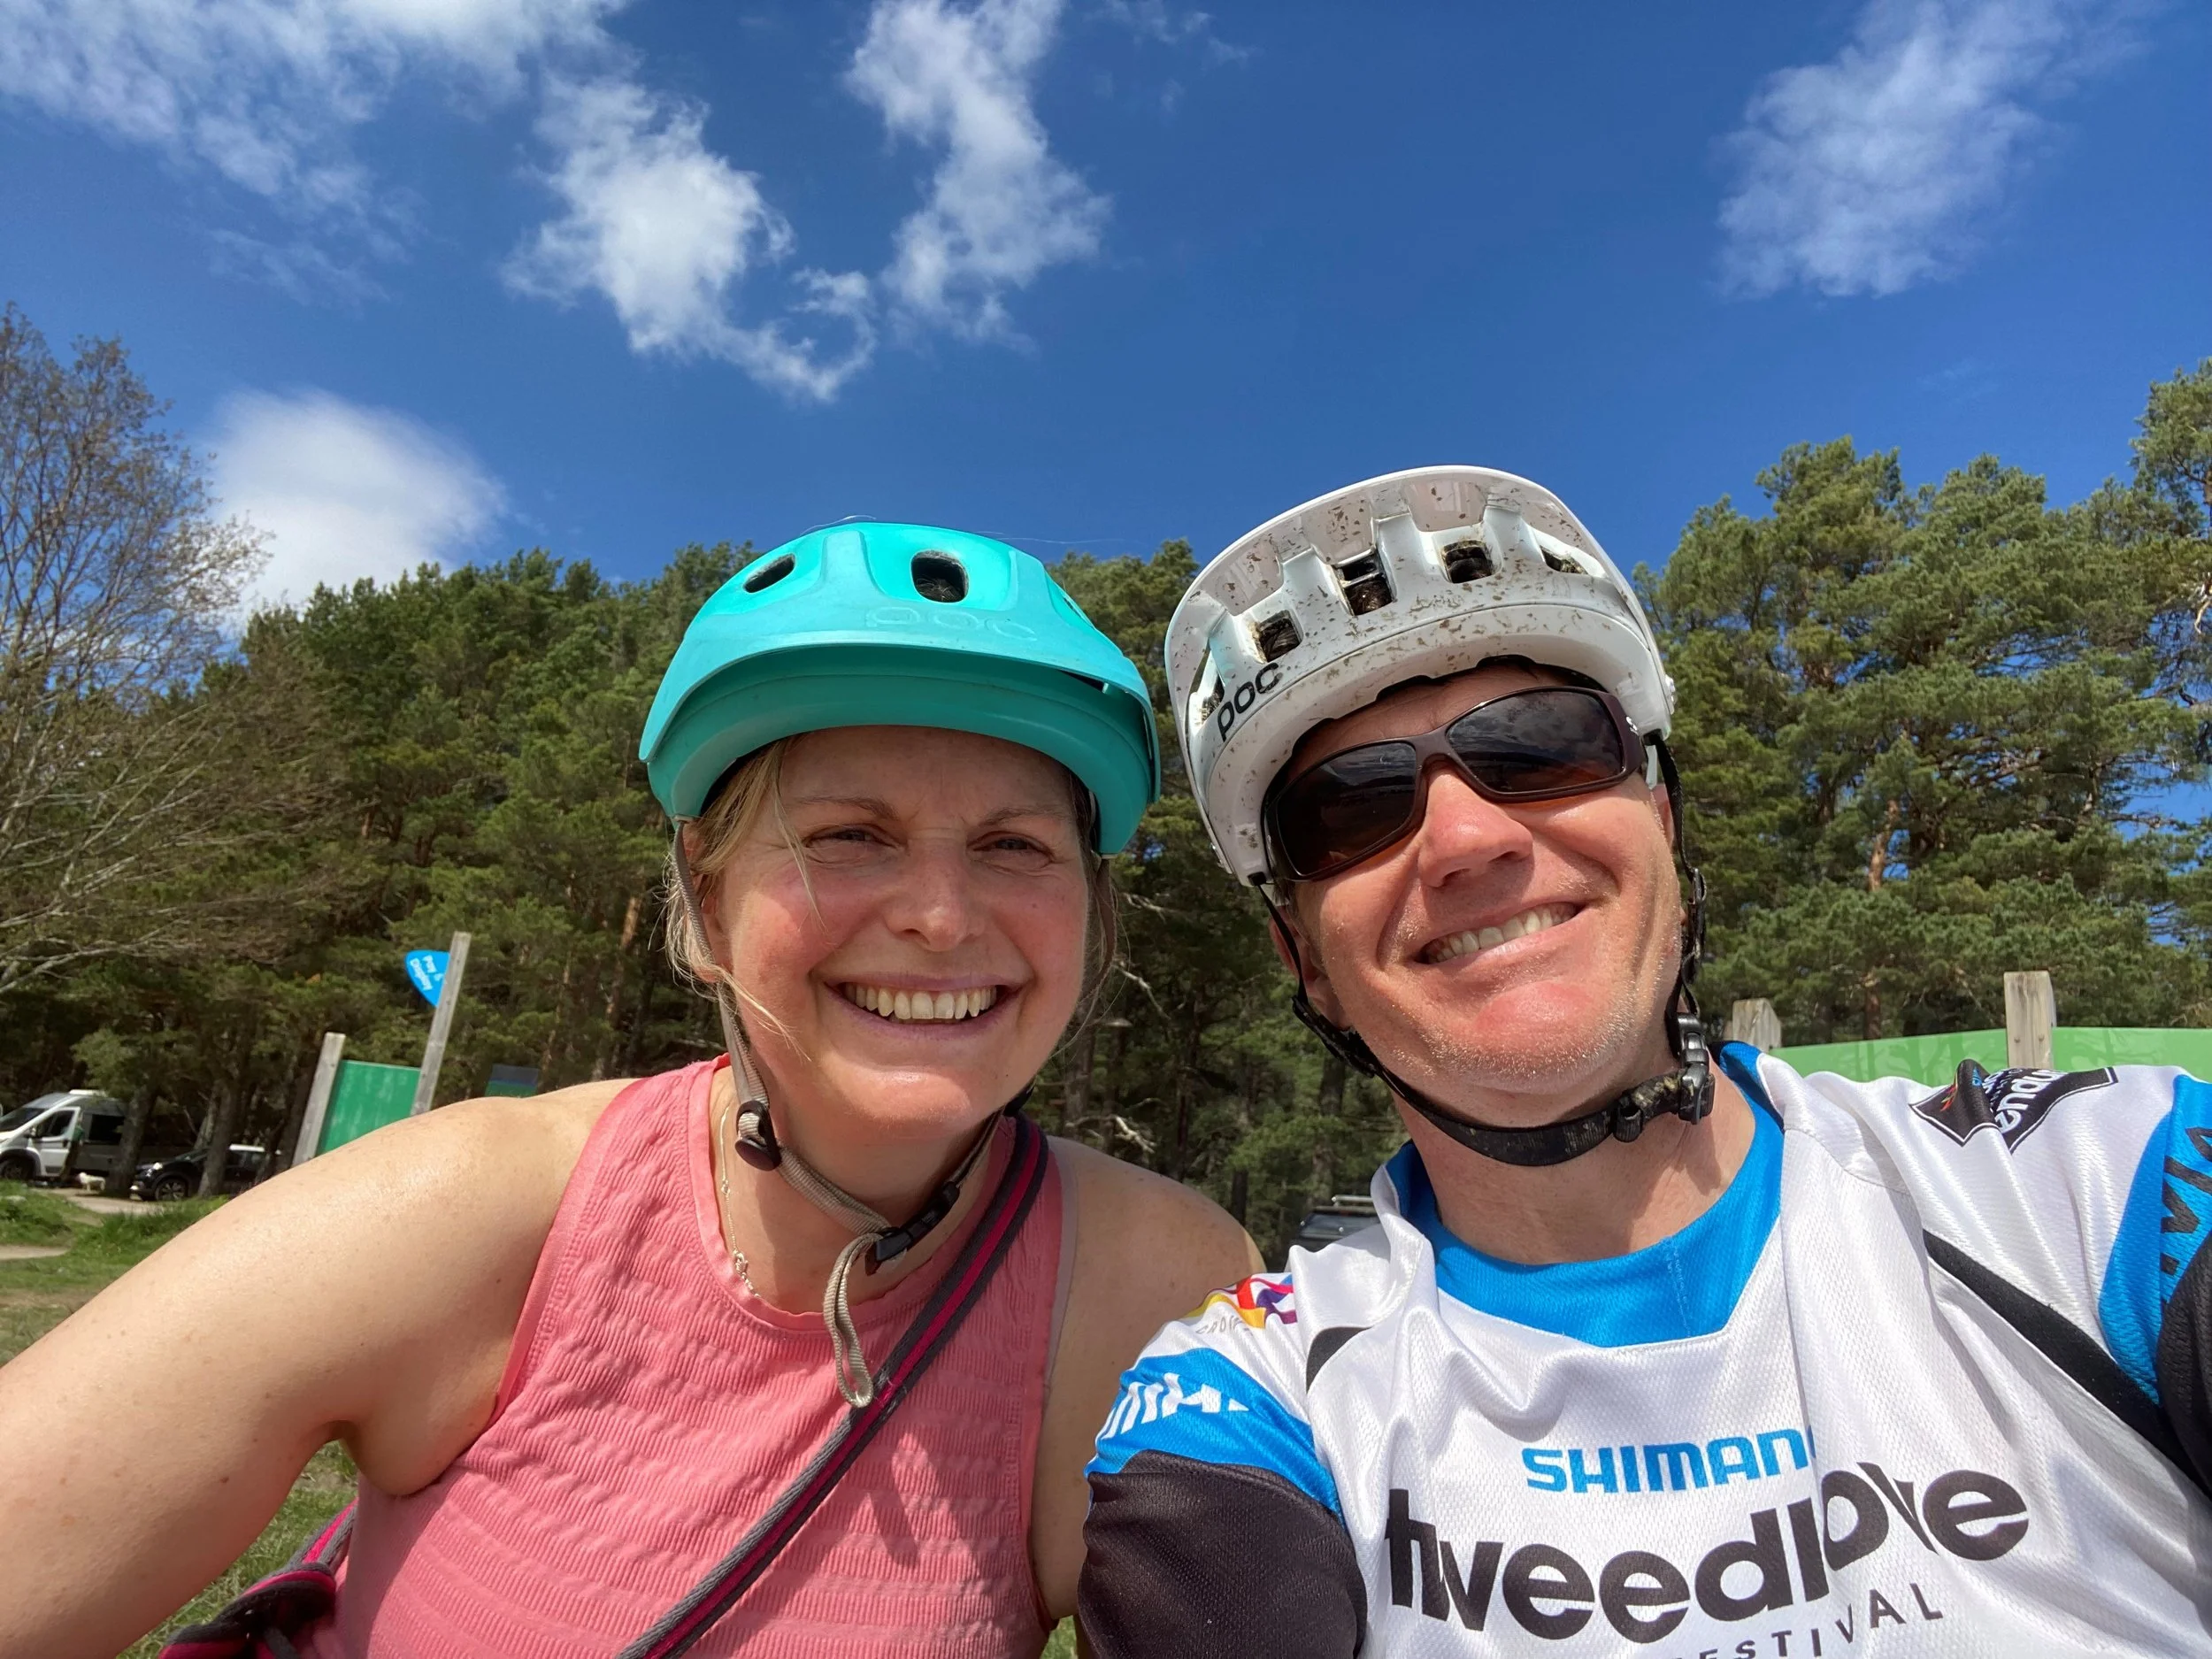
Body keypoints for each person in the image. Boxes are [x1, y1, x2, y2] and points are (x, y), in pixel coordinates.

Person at [0, 523, 1258, 1659]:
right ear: (707, 900)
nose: (941, 914)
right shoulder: (476, 1205)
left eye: (1014, 845)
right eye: (848, 835)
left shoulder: (1149, 1280)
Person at [1077, 466, 2212, 1655]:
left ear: (1662, 821)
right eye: (1348, 808)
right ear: (1305, 961)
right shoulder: (1259, 1400)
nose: (1467, 837)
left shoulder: (2099, 1183)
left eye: (1540, 746)